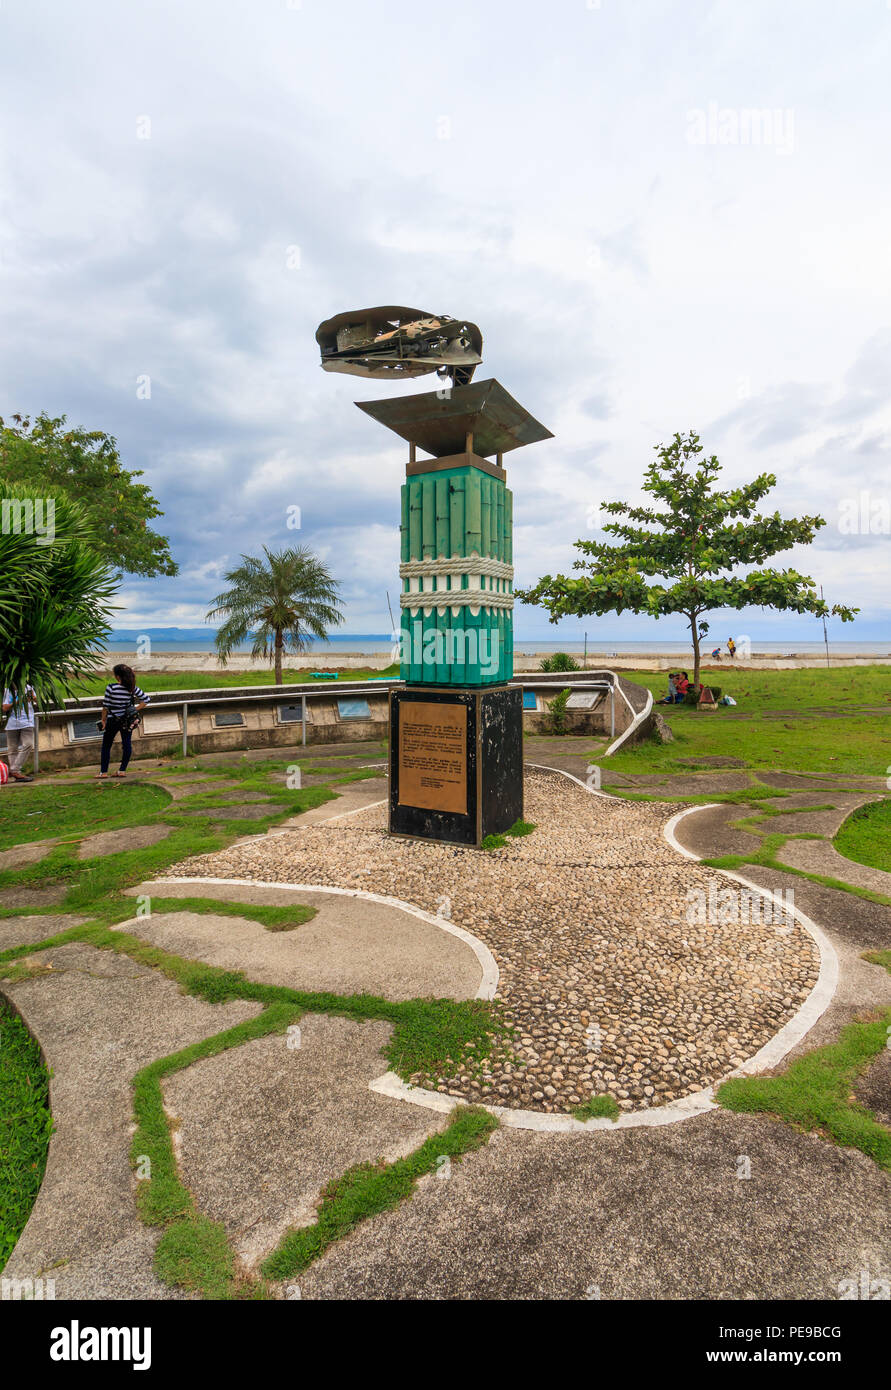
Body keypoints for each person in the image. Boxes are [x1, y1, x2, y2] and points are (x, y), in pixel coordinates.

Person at [98, 664, 150, 779]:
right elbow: (146, 700)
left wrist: (103, 720)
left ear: (117, 676)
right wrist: (133, 710)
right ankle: (122, 771)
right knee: (127, 744)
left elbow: (105, 706)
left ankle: (103, 772)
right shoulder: (132, 688)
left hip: (112, 720)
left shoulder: (111, 688)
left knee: (106, 745)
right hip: (127, 721)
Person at [1, 682, 38, 782]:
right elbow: (4, 708)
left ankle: (14, 770)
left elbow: (38, 702)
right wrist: (17, 702)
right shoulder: (8, 690)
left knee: (28, 744)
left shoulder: (29, 687)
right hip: (12, 723)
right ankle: (16, 774)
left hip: (27, 722)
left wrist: (34, 698)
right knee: (12, 749)